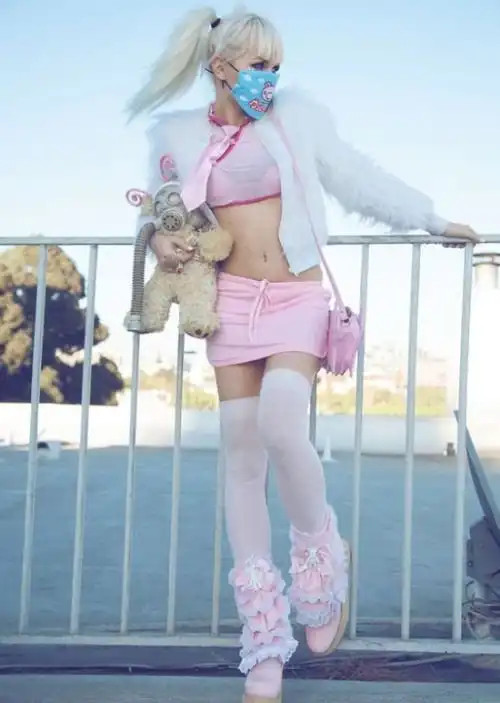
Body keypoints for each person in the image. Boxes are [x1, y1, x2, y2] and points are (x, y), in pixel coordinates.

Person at [127, 7, 479, 702]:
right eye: (258, 65)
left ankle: (322, 552)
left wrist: (431, 219)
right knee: (240, 456)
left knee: (282, 423)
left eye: (276, 66)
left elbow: (357, 176)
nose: (270, 77)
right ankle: (264, 635)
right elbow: (161, 210)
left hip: (296, 298)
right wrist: (156, 235)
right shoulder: (177, 136)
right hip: (230, 304)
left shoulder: (296, 118)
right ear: (220, 67)